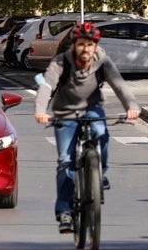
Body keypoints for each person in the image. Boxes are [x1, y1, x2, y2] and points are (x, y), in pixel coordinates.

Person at [34, 21, 140, 234]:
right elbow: (47, 86)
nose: (86, 49)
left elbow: (119, 84)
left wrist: (132, 106)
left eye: (90, 45)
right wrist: (41, 110)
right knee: (65, 161)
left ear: (95, 46)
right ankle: (64, 212)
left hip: (92, 109)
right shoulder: (61, 62)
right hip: (65, 112)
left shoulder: (102, 61)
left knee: (101, 133)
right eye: (82, 44)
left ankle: (100, 174)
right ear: (74, 45)